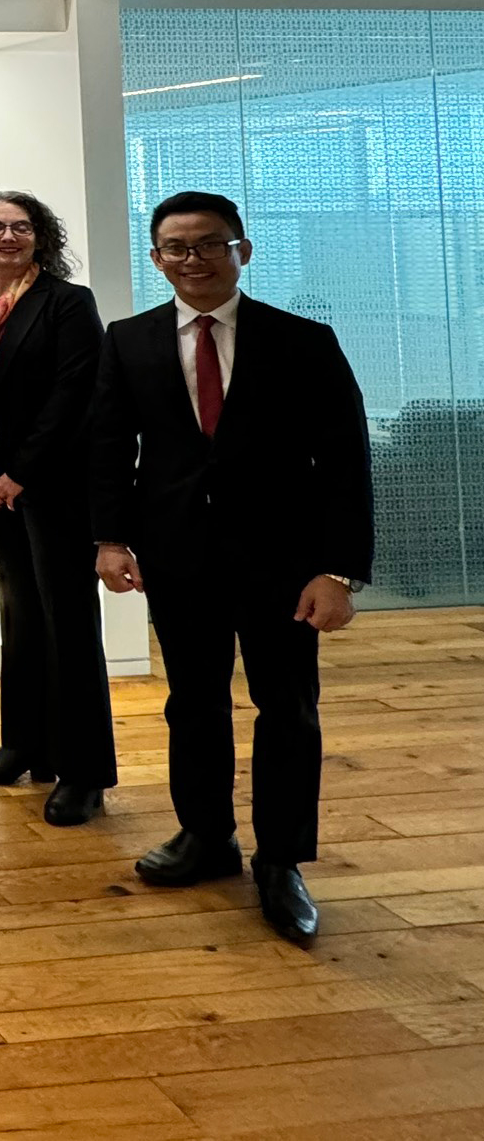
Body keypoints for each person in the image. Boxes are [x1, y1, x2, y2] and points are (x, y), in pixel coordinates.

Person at [93, 190, 373, 944]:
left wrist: (337, 572)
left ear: (242, 249)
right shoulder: (128, 341)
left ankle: (281, 860)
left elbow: (345, 463)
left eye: (209, 244)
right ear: (157, 260)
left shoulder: (303, 341)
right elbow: (112, 449)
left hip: (283, 564)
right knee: (193, 703)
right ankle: (206, 837)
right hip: (177, 555)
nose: (193, 260)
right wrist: (111, 539)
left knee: (288, 708)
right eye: (177, 249)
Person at [0, 189, 117, 826]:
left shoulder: (68, 303)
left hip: (54, 488)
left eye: (20, 227)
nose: (7, 237)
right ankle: (24, 744)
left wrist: (19, 473)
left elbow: (75, 395)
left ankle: (84, 771)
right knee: (18, 611)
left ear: (40, 237)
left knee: (67, 622)